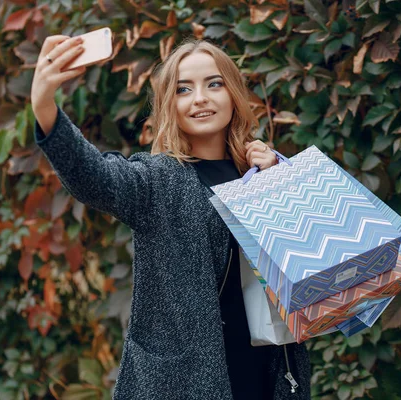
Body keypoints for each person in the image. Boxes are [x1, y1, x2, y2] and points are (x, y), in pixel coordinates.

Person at [31, 35, 311, 400]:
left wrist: (278, 180)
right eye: (183, 89)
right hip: (185, 382)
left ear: (233, 95)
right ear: (169, 105)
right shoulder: (156, 181)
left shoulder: (263, 172)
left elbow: (307, 270)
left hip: (269, 373)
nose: (200, 98)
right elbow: (95, 177)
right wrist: (44, 106)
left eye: (214, 84)